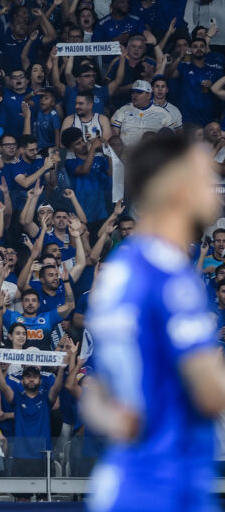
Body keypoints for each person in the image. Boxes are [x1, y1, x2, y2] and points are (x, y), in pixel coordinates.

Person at [85, 131, 225, 512]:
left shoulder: (119, 273)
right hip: (164, 487)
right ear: (177, 189)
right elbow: (211, 394)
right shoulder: (171, 279)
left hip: (129, 477)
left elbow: (94, 391)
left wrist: (120, 419)